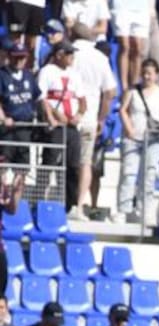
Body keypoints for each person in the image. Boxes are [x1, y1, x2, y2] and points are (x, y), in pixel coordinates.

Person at [116, 57, 159, 225]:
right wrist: (129, 128)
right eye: (144, 73)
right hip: (133, 139)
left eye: (150, 73)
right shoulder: (132, 91)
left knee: (148, 176)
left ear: (156, 75)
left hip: (153, 139)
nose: (146, 77)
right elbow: (123, 110)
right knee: (128, 174)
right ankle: (123, 210)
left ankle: (145, 210)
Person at [69, 28, 117, 221]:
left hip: (67, 115)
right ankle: (79, 207)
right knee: (85, 163)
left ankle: (58, 204)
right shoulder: (100, 58)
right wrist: (101, 119)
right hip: (89, 117)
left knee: (61, 160)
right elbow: (111, 92)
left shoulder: (67, 52)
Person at [37, 40, 85, 215]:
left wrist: (79, 115)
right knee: (49, 162)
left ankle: (69, 204)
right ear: (59, 55)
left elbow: (82, 99)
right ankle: (39, 200)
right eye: (69, 53)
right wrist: (56, 116)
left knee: (73, 165)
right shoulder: (47, 71)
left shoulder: (75, 74)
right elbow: (42, 98)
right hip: (56, 126)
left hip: (72, 126)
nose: (72, 57)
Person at [0, 41, 39, 169]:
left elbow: (37, 98)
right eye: (16, 57)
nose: (19, 61)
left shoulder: (28, 76)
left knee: (22, 167)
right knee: (3, 163)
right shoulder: (2, 75)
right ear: (9, 56)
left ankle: (18, 189)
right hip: (7, 129)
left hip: (25, 127)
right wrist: (3, 118)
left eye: (22, 57)